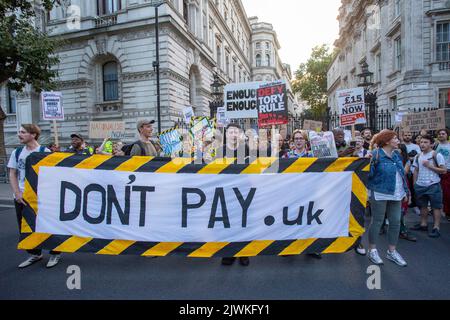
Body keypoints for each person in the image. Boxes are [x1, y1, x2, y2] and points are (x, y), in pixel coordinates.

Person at [8, 124, 61, 269]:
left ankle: (55, 252)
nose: (19, 134)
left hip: (42, 198)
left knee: (49, 225)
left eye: (23, 132)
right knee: (25, 227)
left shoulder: (45, 152)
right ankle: (35, 253)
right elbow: (12, 173)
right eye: (19, 132)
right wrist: (17, 192)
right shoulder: (17, 153)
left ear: (33, 135)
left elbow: (54, 174)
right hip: (21, 197)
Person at [367, 130, 410, 267]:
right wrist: (367, 163)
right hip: (380, 192)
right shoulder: (376, 155)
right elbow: (369, 176)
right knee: (377, 221)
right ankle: (372, 250)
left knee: (396, 221)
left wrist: (406, 192)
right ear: (387, 141)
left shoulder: (397, 154)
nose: (398, 141)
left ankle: (392, 251)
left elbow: (401, 174)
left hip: (396, 192)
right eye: (395, 138)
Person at [220, 124, 250, 267]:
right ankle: (228, 253)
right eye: (230, 132)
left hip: (243, 191)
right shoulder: (220, 150)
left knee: (243, 223)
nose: (233, 134)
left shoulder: (247, 149)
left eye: (236, 132)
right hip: (225, 191)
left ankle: (243, 253)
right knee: (226, 223)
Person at [411, 134, 447, 238]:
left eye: (425, 142)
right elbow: (416, 170)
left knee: (436, 207)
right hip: (420, 185)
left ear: (431, 144)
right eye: (421, 142)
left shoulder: (436, 155)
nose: (422, 144)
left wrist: (430, 166)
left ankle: (436, 227)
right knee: (423, 205)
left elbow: (444, 170)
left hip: (433, 184)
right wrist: (415, 184)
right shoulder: (418, 156)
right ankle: (423, 224)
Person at [434, 129, 450, 221]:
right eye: (439, 134)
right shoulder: (436, 145)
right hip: (437, 171)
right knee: (441, 193)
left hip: (448, 171)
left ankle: (448, 212)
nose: (441, 135)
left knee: (447, 193)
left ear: (447, 135)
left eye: (443, 134)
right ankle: (442, 209)